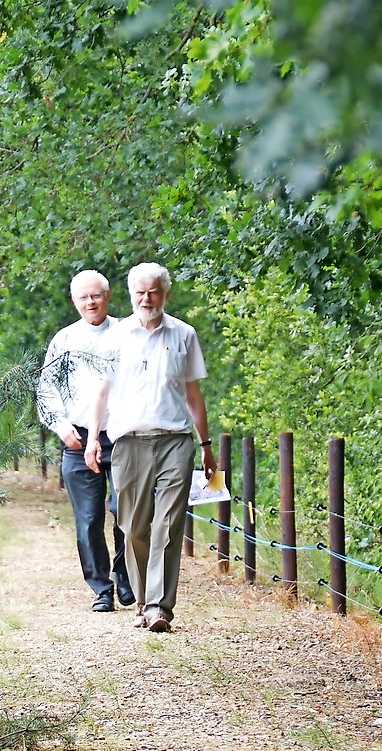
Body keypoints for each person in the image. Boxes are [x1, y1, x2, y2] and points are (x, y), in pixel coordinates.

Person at [84, 263, 216, 633]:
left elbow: (193, 394)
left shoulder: (184, 334)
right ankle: (142, 600)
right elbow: (101, 392)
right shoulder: (115, 337)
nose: (146, 299)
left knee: (169, 523)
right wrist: (94, 437)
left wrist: (206, 445)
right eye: (140, 292)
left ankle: (160, 607)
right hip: (128, 442)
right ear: (130, 295)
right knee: (133, 527)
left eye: (153, 292)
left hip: (175, 441)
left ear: (166, 293)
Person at [37, 270, 133, 613]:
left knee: (124, 510)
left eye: (96, 295)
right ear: (74, 301)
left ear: (107, 296)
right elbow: (46, 390)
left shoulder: (126, 332)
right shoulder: (64, 341)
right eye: (83, 297)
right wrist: (60, 427)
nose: (90, 302)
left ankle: (126, 578)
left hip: (123, 435)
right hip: (77, 439)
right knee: (89, 518)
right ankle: (101, 587)